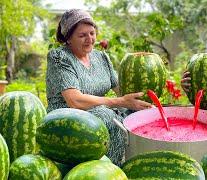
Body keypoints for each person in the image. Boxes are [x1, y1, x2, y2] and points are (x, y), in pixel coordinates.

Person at [46, 9, 153, 166]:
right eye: (82, 35)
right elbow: (74, 101)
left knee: (137, 113)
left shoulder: (101, 57)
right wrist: (119, 102)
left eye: (92, 33)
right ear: (68, 39)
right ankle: (106, 169)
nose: (89, 39)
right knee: (107, 116)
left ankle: (132, 164)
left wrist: (144, 87)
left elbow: (123, 91)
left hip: (99, 111)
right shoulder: (59, 58)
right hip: (66, 119)